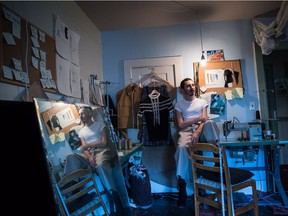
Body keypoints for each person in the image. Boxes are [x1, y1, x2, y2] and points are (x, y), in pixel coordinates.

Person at [63, 106, 121, 214]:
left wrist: (88, 145)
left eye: (83, 113)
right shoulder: (81, 131)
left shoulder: (100, 124)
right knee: (70, 157)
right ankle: (74, 191)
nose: (81, 116)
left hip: (101, 150)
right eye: (79, 114)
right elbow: (84, 149)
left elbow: (104, 142)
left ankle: (113, 195)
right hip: (89, 154)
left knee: (100, 165)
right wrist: (89, 157)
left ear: (90, 114)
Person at [174, 78, 220, 207]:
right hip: (187, 131)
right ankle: (182, 185)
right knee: (181, 148)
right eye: (188, 86)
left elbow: (205, 120)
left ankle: (217, 159)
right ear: (183, 90)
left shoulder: (202, 102)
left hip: (201, 129)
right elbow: (181, 124)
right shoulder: (179, 105)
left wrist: (198, 131)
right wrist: (198, 118)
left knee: (210, 123)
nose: (191, 88)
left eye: (193, 85)